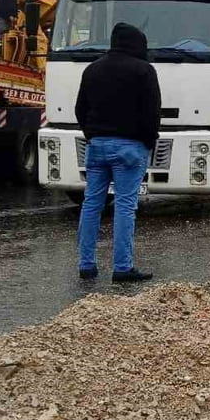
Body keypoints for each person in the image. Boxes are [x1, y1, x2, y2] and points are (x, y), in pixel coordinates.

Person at [74, 22, 160, 283]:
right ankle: (122, 268)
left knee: (91, 205)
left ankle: (86, 265)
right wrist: (147, 141)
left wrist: (92, 134)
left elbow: (80, 109)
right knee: (124, 206)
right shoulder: (144, 71)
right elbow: (151, 113)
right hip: (130, 147)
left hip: (97, 145)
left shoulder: (92, 69)